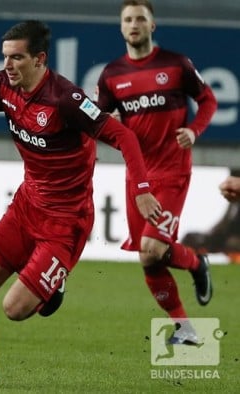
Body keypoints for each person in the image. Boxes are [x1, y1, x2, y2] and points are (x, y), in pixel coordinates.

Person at [0, 20, 160, 387]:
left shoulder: (66, 99)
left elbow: (124, 136)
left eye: (17, 58)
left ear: (40, 59)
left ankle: (52, 285)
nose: (9, 65)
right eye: (5, 57)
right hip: (27, 204)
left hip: (66, 220)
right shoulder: (3, 85)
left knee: (14, 309)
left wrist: (142, 188)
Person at [96, 0, 217, 345]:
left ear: (153, 26)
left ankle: (195, 263)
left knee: (151, 247)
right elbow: (97, 123)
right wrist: (109, 126)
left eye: (140, 19)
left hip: (173, 170)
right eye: (127, 19)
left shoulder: (176, 64)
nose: (133, 24)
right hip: (137, 177)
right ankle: (187, 330)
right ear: (121, 27)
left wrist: (194, 130)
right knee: (149, 261)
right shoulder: (112, 75)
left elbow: (208, 100)